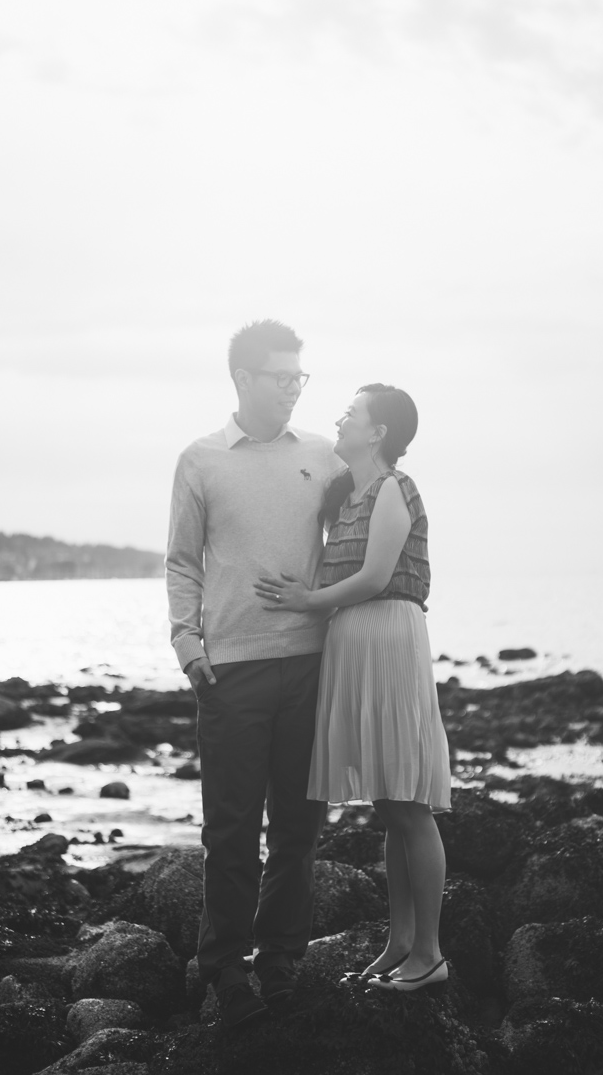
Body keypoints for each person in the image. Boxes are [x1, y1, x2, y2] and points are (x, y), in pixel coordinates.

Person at [166, 319, 342, 1028]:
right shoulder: (201, 460)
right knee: (231, 831)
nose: (293, 389)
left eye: (300, 377)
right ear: (243, 379)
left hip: (309, 666)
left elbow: (363, 532)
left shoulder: (327, 458)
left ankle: (280, 962)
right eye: (281, 377)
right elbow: (182, 560)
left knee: (299, 828)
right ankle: (224, 969)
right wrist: (186, 643)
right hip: (230, 671)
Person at [254, 383, 451, 994]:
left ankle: (431, 954)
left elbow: (375, 576)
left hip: (388, 641)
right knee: (391, 806)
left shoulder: (394, 488)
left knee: (410, 806)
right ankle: (400, 942)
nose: (341, 420)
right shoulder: (347, 494)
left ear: (378, 433)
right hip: (355, 646)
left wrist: (307, 601)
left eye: (352, 413)